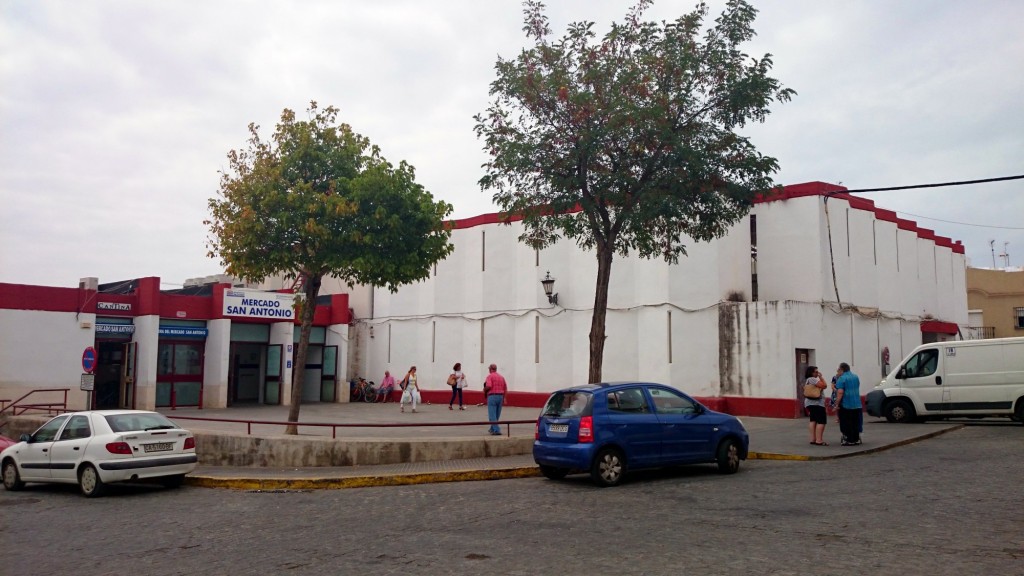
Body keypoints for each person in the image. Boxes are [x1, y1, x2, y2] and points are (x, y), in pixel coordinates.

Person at [834, 362, 862, 446]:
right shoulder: (856, 377)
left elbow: (840, 392)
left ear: (842, 369)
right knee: (855, 422)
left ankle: (848, 439)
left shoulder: (842, 378)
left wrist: (837, 403)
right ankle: (856, 439)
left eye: (839, 369)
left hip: (846, 404)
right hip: (857, 403)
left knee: (846, 422)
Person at [803, 366, 828, 445]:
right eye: (816, 372)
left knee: (813, 420)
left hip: (810, 403)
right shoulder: (812, 379)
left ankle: (813, 439)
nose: (817, 373)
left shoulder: (808, 380)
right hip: (817, 403)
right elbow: (824, 386)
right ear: (811, 372)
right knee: (821, 421)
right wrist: (821, 378)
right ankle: (819, 440)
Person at [482, 363, 507, 435]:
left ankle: (497, 430)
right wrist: (504, 398)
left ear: (490, 369)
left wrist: (484, 389)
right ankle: (492, 429)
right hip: (500, 396)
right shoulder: (501, 377)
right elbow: (505, 388)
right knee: (496, 415)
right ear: (496, 369)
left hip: (492, 396)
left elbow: (489, 386)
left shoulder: (489, 376)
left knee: (492, 415)